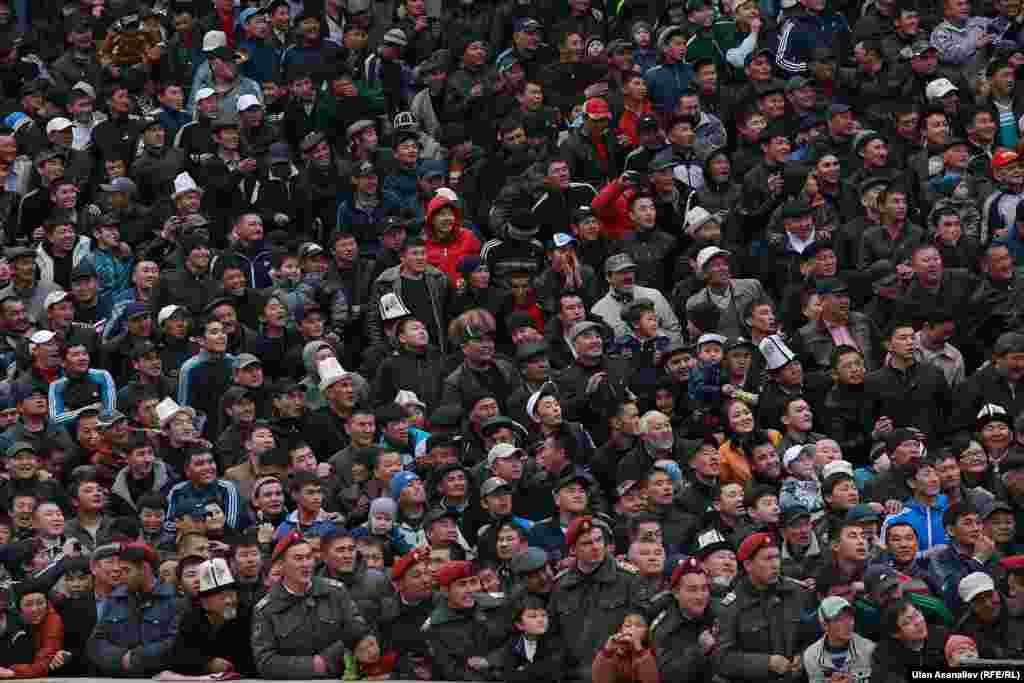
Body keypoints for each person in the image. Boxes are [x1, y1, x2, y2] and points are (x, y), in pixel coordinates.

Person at [251, 531, 369, 678]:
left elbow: (358, 630)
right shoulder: (266, 609)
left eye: (309, 557)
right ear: (281, 565)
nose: (306, 564)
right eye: (298, 558)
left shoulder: (335, 592)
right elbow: (264, 662)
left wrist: (331, 656)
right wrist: (312, 665)